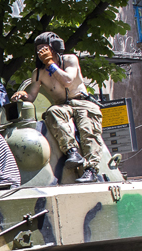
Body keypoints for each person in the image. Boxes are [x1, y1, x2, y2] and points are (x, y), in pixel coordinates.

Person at [10, 31, 107, 182]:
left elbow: (67, 80)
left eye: (45, 48)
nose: (41, 52)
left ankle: (91, 170)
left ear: (55, 47)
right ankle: (72, 151)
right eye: (38, 49)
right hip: (62, 106)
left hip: (82, 102)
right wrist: (23, 96)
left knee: (87, 128)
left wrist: (50, 63)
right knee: (52, 112)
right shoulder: (38, 73)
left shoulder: (70, 60)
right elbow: (32, 96)